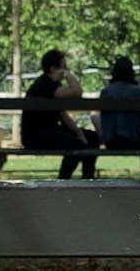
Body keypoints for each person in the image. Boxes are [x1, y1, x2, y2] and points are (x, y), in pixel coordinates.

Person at [21, 48, 98, 179]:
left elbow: (63, 115)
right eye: (64, 66)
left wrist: (79, 133)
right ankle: (63, 180)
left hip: (50, 131)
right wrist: (67, 75)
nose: (67, 69)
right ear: (53, 69)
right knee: (76, 145)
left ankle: (88, 179)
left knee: (92, 138)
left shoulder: (51, 85)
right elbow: (77, 92)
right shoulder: (46, 85)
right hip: (35, 135)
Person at [94, 56, 140, 154]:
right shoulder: (139, 92)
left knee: (95, 117)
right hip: (135, 141)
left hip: (111, 142)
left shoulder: (106, 92)